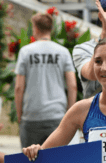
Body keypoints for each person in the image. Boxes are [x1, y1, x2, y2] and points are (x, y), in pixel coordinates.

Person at [14, 11, 77, 149]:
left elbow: (19, 87)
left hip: (31, 116)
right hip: (57, 115)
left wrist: (20, 115)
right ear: (51, 29)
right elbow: (72, 86)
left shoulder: (25, 51)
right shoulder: (63, 52)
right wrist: (69, 114)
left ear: (35, 28)